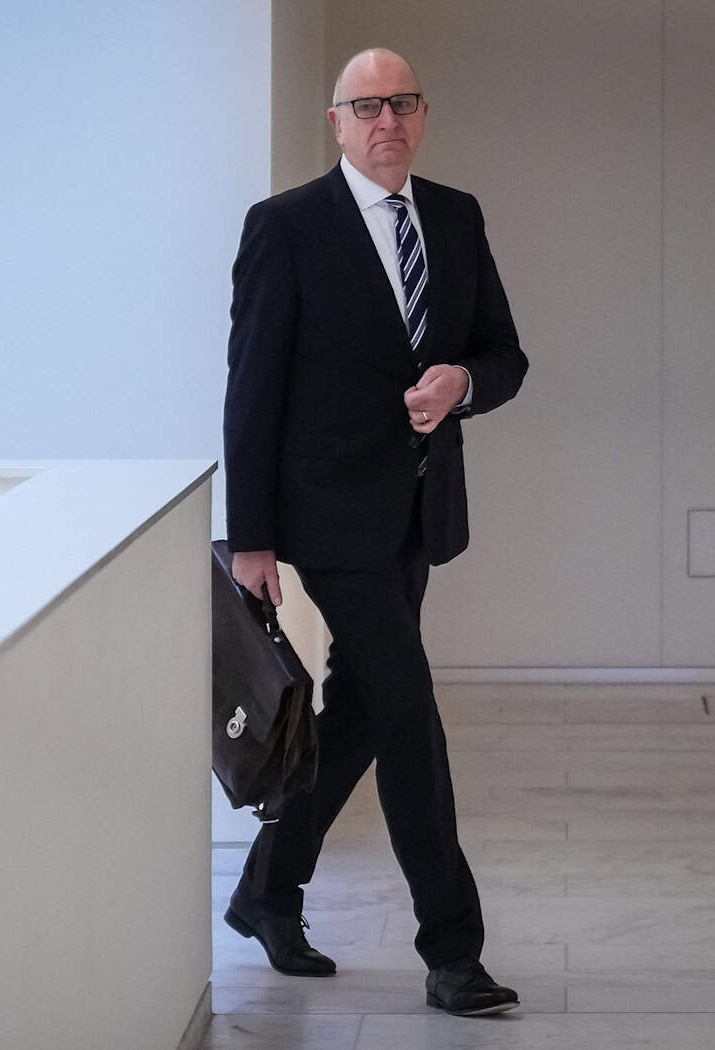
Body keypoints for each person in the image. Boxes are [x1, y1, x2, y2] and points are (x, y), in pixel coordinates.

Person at [221, 47, 529, 1017]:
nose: (384, 118)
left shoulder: (453, 215)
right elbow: (251, 389)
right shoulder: (285, 227)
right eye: (366, 105)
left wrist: (461, 383)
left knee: (357, 705)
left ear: (422, 116)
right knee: (407, 711)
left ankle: (267, 891)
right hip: (324, 514)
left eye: (400, 102)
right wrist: (252, 539)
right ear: (337, 123)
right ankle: (452, 951)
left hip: (416, 509)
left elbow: (504, 354)